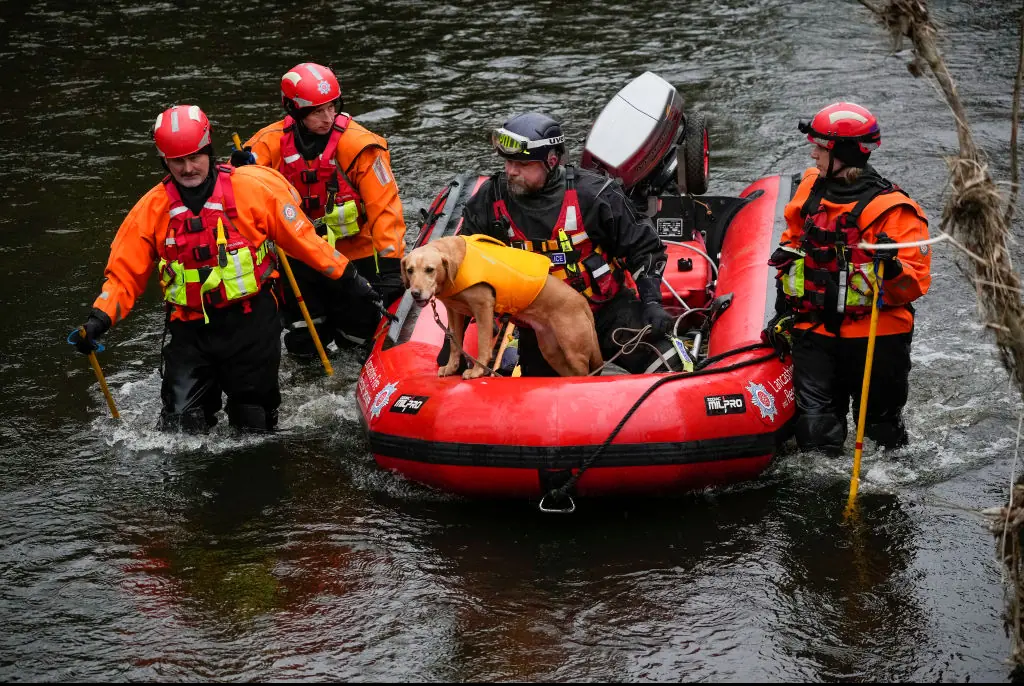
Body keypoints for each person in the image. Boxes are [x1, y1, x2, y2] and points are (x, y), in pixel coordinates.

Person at [68, 105, 381, 433]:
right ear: (164, 161)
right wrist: (99, 319)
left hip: (252, 324)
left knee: (254, 424)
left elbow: (306, 242)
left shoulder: (252, 191)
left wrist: (352, 281)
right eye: (178, 161)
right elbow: (123, 276)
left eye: (195, 157)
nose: (188, 169)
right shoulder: (150, 210)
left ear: (209, 151)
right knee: (179, 428)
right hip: (189, 331)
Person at [456, 111, 675, 376]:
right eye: (508, 163)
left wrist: (652, 302)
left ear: (550, 161)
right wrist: (455, 340)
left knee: (667, 365)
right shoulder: (490, 200)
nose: (511, 171)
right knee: (545, 403)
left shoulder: (595, 195)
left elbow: (644, 249)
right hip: (539, 322)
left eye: (522, 165)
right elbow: (465, 263)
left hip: (606, 311)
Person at [769, 101, 931, 452]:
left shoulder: (896, 211)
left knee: (881, 430)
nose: (813, 154)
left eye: (820, 147)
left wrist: (893, 268)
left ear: (844, 153)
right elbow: (793, 241)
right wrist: (783, 305)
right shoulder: (811, 189)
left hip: (876, 335)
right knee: (815, 429)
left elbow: (915, 283)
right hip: (814, 330)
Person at [231, 62, 407, 358]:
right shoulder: (266, 144)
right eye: (317, 112)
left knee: (360, 336)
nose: (328, 118)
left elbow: (385, 207)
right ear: (295, 112)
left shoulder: (361, 147)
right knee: (304, 338)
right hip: (299, 257)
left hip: (355, 257)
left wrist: (390, 266)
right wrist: (237, 172)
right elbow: (236, 196)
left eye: (333, 107)